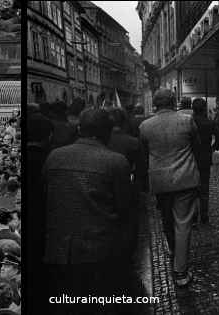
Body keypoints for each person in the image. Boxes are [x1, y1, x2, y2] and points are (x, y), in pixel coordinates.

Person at [42, 108, 134, 315]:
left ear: (79, 129)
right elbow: (125, 209)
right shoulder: (117, 162)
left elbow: (45, 197)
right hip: (99, 251)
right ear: (108, 132)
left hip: (59, 250)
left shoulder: (54, 157)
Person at [139, 89, 201, 286]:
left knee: (166, 220)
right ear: (173, 102)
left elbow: (143, 154)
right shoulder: (187, 121)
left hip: (160, 180)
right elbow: (197, 146)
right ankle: (180, 272)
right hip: (184, 177)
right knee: (182, 223)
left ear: (155, 104)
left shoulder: (145, 126)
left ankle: (174, 251)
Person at [190, 98, 216, 225]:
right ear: (204, 108)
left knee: (192, 189)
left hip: (191, 158)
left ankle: (194, 217)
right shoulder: (209, 122)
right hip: (205, 157)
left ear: (193, 108)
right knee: (204, 189)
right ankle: (204, 216)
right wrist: (213, 147)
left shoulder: (189, 122)